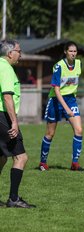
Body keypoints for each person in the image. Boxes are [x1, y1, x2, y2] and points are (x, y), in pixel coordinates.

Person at [38, 41, 84, 171]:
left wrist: (69, 105)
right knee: (50, 133)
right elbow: (57, 90)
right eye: (70, 51)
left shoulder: (79, 64)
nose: (73, 54)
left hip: (71, 100)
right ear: (65, 52)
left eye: (75, 51)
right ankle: (43, 163)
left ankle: (75, 164)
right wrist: (66, 108)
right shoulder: (59, 66)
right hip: (56, 101)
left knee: (79, 130)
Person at [0, 39, 35, 208]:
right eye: (18, 51)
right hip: (3, 117)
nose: (20, 54)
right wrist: (14, 122)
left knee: (1, 158)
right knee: (21, 157)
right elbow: (7, 96)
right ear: (9, 53)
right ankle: (13, 198)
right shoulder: (6, 68)